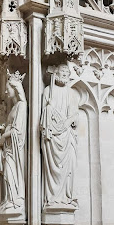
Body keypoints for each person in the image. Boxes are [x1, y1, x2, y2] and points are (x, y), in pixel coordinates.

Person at [40, 63, 79, 209]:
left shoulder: (71, 93)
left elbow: (75, 116)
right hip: (52, 138)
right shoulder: (48, 91)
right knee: (52, 169)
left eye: (66, 72)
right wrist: (49, 108)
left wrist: (67, 122)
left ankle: (67, 198)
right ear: (55, 74)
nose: (64, 74)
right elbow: (43, 119)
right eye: (62, 72)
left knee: (69, 167)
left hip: (67, 136)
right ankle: (52, 198)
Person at [0, 71, 27, 213]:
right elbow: (11, 125)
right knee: (8, 174)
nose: (6, 92)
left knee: (10, 172)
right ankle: (9, 199)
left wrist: (2, 138)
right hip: (8, 147)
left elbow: (17, 131)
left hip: (14, 148)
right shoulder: (14, 107)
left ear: (15, 89)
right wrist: (2, 127)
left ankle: (15, 200)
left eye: (8, 89)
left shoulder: (21, 105)